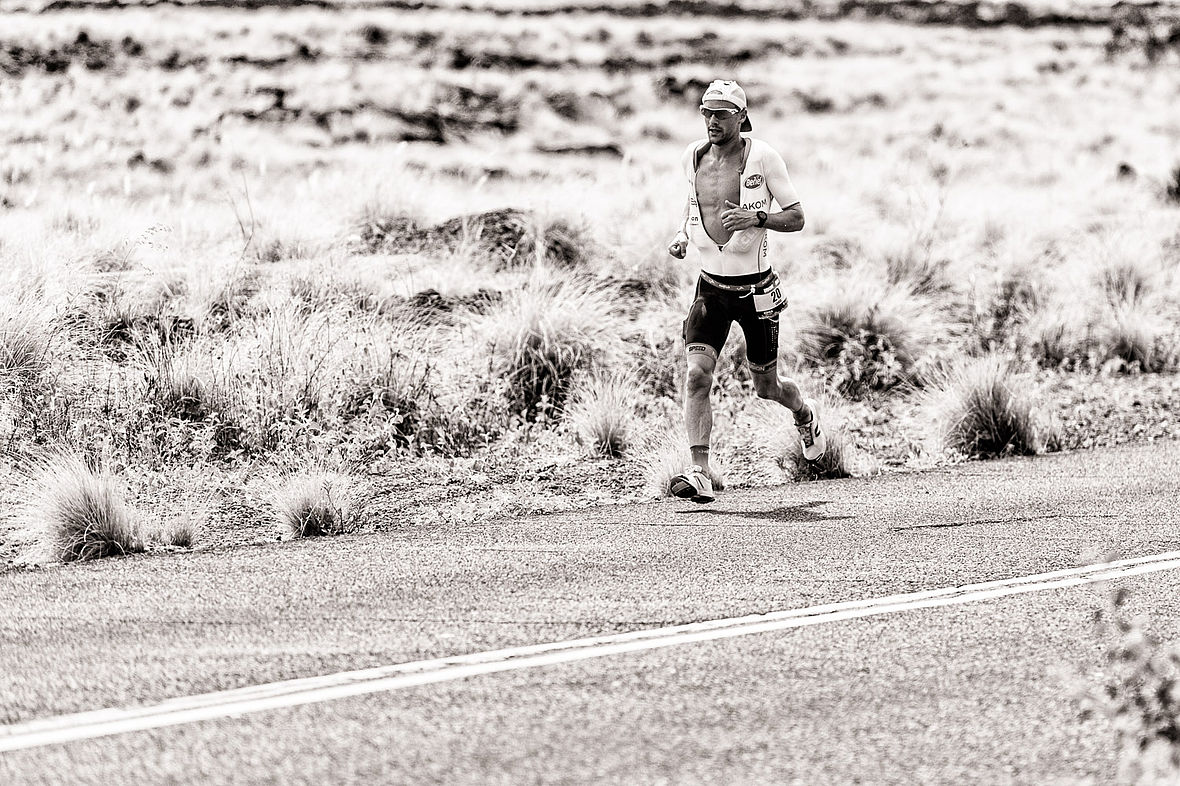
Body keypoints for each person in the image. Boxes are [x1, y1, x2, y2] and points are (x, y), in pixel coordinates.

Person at [667, 79, 826, 504]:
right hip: (710, 288)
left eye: (721, 113)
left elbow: (797, 217)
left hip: (756, 290)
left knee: (766, 386)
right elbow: (692, 203)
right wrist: (682, 235)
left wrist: (757, 219)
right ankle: (699, 472)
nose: (712, 120)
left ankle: (804, 413)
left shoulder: (764, 157)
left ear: (741, 116)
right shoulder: (692, 156)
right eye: (706, 112)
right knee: (697, 375)